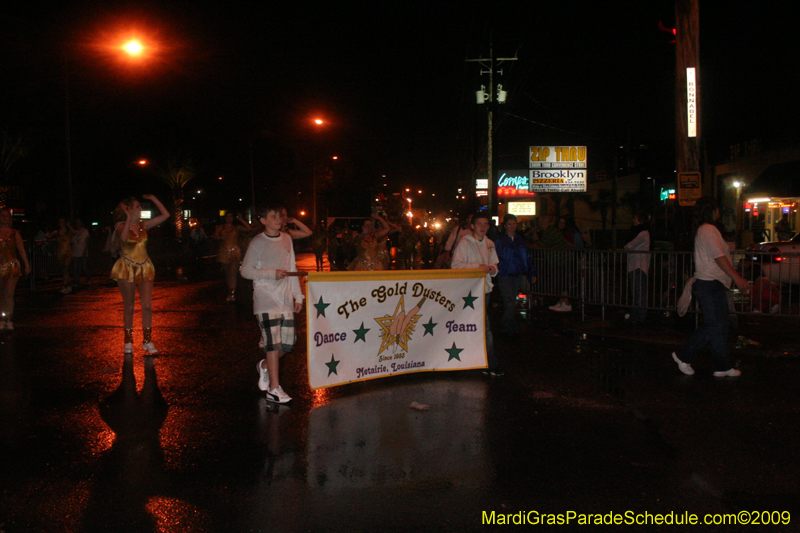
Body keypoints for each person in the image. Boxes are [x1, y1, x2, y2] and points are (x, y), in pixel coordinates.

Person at [672, 197, 749, 378]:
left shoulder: (707, 229)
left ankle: (722, 366)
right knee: (715, 325)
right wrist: (737, 277)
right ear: (713, 210)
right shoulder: (708, 229)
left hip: (713, 283)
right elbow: (718, 257)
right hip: (709, 283)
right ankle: (683, 355)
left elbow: (715, 253)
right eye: (717, 209)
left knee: (720, 326)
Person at [241, 201, 304, 404]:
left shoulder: (286, 239)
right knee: (272, 343)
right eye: (273, 216)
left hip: (285, 299)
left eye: (279, 216)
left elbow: (292, 267)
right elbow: (245, 271)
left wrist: (298, 296)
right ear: (263, 221)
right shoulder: (257, 243)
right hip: (265, 299)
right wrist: (271, 274)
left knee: (286, 345)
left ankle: (265, 366)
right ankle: (274, 389)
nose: (278, 220)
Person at [110, 195, 170, 355]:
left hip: (144, 266)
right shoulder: (120, 226)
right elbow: (123, 238)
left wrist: (154, 198)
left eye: (140, 207)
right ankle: (128, 341)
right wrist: (129, 217)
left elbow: (166, 216)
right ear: (128, 209)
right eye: (137, 206)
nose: (140, 209)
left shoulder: (144, 225)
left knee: (147, 306)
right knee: (129, 306)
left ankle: (147, 340)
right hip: (127, 268)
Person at [452, 211, 502, 376]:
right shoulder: (465, 242)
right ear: (472, 226)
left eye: (486, 224)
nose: (483, 227)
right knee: (481, 326)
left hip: (485, 290)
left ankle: (478, 360)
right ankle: (489, 363)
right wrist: (478, 267)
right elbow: (456, 265)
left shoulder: (489, 243)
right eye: (479, 224)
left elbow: (494, 264)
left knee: (480, 325)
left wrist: (492, 269)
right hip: (469, 292)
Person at [495, 214, 538, 335]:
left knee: (511, 301)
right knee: (508, 301)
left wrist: (531, 273)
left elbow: (527, 258)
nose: (512, 226)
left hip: (517, 274)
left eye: (514, 223)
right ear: (505, 226)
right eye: (509, 223)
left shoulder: (521, 241)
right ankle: (509, 327)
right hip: (504, 274)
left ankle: (507, 326)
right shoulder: (500, 241)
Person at [532, 215, 573, 311]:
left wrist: (527, 245)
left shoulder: (549, 232)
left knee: (563, 281)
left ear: (543, 222)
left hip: (562, 260)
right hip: (561, 259)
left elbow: (540, 245)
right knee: (561, 281)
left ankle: (565, 302)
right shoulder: (550, 231)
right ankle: (562, 301)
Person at [0, 209, 31, 330]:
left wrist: (27, 264)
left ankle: (9, 319)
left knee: (9, 294)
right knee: (1, 294)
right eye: (2, 216)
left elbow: (21, 250)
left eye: (6, 216)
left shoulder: (14, 233)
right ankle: (2, 318)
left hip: (12, 266)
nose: (4, 218)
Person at [213, 212, 252, 302]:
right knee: (227, 273)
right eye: (228, 216)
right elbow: (214, 236)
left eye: (231, 216)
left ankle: (232, 294)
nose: (229, 218)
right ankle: (230, 290)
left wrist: (241, 219)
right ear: (225, 218)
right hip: (223, 251)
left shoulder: (236, 227)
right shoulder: (221, 227)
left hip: (234, 251)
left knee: (232, 272)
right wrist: (220, 237)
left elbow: (249, 228)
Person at [624, 211, 650, 324]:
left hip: (639, 265)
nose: (633, 220)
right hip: (635, 265)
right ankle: (636, 314)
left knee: (639, 291)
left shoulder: (643, 233)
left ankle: (640, 316)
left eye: (635, 218)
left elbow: (629, 245)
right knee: (636, 291)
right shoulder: (640, 232)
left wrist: (627, 246)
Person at [47, 217, 72, 294]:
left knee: (65, 268)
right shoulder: (57, 232)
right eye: (59, 221)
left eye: (62, 221)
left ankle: (65, 286)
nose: (60, 222)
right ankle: (68, 285)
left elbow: (75, 233)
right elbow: (48, 236)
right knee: (64, 270)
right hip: (60, 253)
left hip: (67, 252)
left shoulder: (68, 231)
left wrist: (69, 226)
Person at [70, 218, 91, 288]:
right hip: (76, 252)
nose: (78, 224)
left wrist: (85, 250)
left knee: (84, 266)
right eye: (76, 222)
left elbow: (87, 241)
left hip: (82, 251)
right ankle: (76, 281)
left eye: (79, 222)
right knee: (76, 268)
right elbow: (72, 242)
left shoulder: (85, 231)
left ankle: (89, 279)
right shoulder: (74, 232)